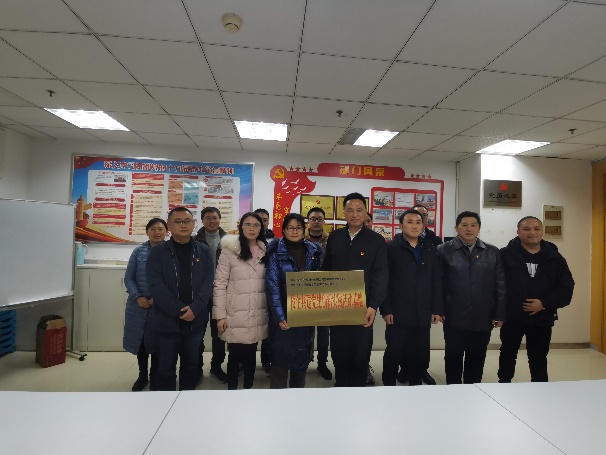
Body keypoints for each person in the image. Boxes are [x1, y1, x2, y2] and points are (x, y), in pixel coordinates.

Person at [498, 216, 574, 383]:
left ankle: (540, 388)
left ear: (542, 231)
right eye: (526, 229)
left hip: (542, 318)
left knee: (539, 357)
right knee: (508, 353)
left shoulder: (555, 257)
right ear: (518, 232)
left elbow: (566, 288)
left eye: (536, 229)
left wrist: (544, 303)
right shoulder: (505, 255)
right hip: (512, 317)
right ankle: (503, 385)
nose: (532, 232)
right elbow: (496, 284)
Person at [322, 193, 388, 387]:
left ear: (366, 212)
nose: (354, 214)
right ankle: (341, 385)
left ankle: (359, 388)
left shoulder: (376, 240)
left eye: (359, 210)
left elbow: (381, 275)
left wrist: (373, 305)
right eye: (350, 210)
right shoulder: (335, 237)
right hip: (337, 306)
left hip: (363, 307)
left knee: (360, 352)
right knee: (338, 349)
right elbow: (327, 270)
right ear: (344, 212)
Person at [146, 207, 214, 391]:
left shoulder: (204, 251)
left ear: (193, 224)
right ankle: (165, 404)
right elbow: (156, 286)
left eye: (187, 221)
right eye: (178, 221)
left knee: (191, 366)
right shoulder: (157, 252)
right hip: (166, 322)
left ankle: (187, 403)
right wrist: (180, 310)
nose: (183, 225)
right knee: (165, 370)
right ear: (169, 225)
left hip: (196, 321)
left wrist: (196, 308)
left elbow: (208, 281)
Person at [437, 211, 506, 385]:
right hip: (453, 313)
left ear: (479, 228)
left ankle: (473, 389)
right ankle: (453, 389)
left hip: (483, 314)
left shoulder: (492, 252)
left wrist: (499, 313)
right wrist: (438, 308)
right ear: (456, 228)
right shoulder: (443, 250)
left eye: (473, 225)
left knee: (477, 356)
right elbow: (437, 283)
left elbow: (500, 285)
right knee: (453, 356)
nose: (469, 229)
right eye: (464, 225)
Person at [382, 210, 443, 386]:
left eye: (418, 222)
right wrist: (386, 309)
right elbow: (384, 281)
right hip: (397, 312)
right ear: (401, 225)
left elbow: (436, 279)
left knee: (418, 353)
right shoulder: (391, 248)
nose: (414, 226)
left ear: (423, 226)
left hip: (422, 311)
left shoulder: (430, 248)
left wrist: (436, 309)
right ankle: (387, 387)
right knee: (394, 352)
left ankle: (415, 387)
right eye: (409, 222)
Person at [266, 213, 322, 388]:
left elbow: (321, 281)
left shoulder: (313, 251)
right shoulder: (275, 253)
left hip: (305, 314)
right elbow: (273, 286)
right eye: (290, 227)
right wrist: (280, 316)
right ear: (283, 230)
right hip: (283, 316)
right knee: (280, 362)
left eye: (298, 227)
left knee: (301, 358)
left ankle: (298, 398)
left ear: (304, 230)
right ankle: (278, 398)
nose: (294, 231)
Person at [213, 212, 268, 390]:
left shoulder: (265, 251)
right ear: (241, 227)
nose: (252, 228)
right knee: (234, 357)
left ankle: (248, 390)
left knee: (251, 355)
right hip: (235, 313)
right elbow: (219, 284)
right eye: (247, 224)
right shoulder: (229, 251)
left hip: (256, 312)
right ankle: (232, 391)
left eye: (256, 225)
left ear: (261, 229)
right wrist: (220, 316)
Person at [123, 217, 167, 391]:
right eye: (153, 229)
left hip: (161, 306)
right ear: (147, 231)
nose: (157, 232)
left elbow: (174, 281)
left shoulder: (171, 251)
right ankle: (142, 376)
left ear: (166, 231)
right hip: (138, 306)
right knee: (140, 342)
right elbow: (129, 278)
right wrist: (138, 297)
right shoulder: (138, 252)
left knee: (158, 343)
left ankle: (155, 377)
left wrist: (159, 298)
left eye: (160, 229)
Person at [194, 207, 227, 383]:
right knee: (197, 334)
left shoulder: (229, 240)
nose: (211, 221)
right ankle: (197, 367)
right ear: (202, 220)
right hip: (200, 295)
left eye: (214, 217)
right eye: (208, 218)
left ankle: (216, 366)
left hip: (221, 295)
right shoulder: (194, 240)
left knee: (219, 335)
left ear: (220, 219)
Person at [304, 207, 332, 381]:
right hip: (305, 292)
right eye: (313, 219)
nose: (316, 222)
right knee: (306, 331)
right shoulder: (300, 239)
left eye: (319, 219)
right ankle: (304, 361)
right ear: (308, 221)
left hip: (326, 292)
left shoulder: (332, 240)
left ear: (324, 221)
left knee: (323, 332)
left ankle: (322, 363)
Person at [253, 207, 274, 374]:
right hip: (250, 290)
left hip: (269, 291)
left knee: (268, 329)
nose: (261, 223)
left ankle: (267, 361)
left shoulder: (276, 242)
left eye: (264, 220)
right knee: (250, 328)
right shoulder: (243, 241)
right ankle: (247, 362)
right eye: (258, 220)